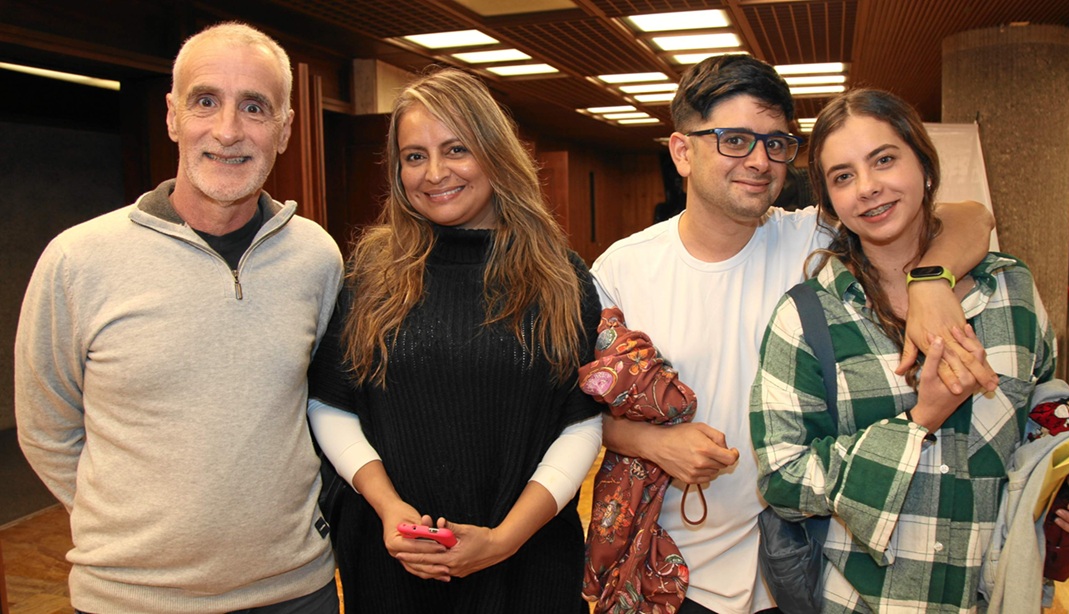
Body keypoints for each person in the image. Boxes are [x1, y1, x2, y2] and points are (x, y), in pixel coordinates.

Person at [590, 55, 997, 614]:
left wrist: (930, 280)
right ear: (682, 152)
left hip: (808, 561)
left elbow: (969, 216)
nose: (760, 161)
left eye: (776, 143)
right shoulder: (622, 270)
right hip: (679, 569)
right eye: (735, 140)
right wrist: (653, 443)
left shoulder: (813, 238)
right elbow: (578, 411)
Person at [750, 88, 1069, 612]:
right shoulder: (808, 317)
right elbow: (783, 477)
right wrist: (918, 422)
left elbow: (1042, 407)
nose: (868, 188)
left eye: (884, 160)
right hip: (866, 600)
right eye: (842, 176)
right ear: (829, 203)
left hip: (996, 593)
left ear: (924, 166)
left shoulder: (1010, 290)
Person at [14, 22, 343, 614]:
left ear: (285, 129)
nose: (228, 131)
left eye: (254, 107)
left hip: (295, 591)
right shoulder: (77, 259)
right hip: (129, 599)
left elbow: (327, 405)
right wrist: (128, 531)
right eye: (206, 101)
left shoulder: (317, 258)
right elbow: (47, 428)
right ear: (172, 117)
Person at [305, 67, 603, 613]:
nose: (434, 172)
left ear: (494, 153)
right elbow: (331, 402)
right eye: (414, 156)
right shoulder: (371, 271)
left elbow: (579, 422)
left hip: (527, 563)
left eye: (456, 149)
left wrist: (505, 539)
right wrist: (389, 506)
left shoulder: (560, 276)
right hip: (393, 562)